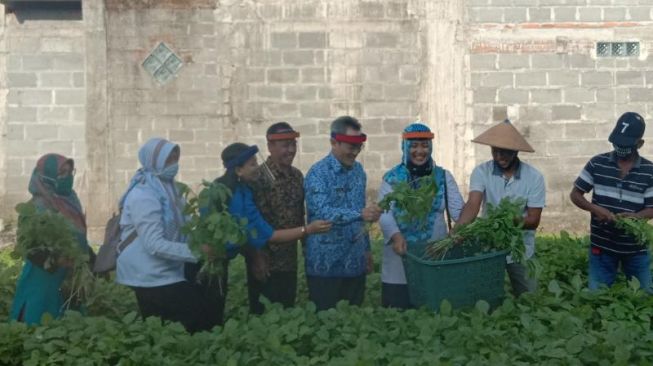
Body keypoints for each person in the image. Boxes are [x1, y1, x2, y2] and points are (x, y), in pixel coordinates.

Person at [201, 142, 331, 319]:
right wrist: (307, 229)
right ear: (238, 170)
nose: (257, 168)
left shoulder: (242, 191)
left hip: (221, 260)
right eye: (253, 164)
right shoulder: (225, 195)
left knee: (215, 311)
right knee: (207, 313)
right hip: (206, 261)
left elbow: (255, 234)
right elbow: (270, 235)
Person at [115, 137, 215, 333]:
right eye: (170, 159)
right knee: (191, 318)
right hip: (148, 272)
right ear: (155, 161)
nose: (174, 165)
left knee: (167, 327)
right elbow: (154, 244)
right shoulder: (144, 195)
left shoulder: (173, 191)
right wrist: (197, 251)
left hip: (168, 269)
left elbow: (183, 228)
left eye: (176, 159)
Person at [379, 123, 464, 309]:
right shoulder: (392, 178)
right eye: (414, 145)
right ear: (405, 147)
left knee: (432, 312)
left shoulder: (442, 177)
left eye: (425, 145)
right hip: (399, 256)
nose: (420, 151)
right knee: (397, 313)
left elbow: (459, 212)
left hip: (433, 256)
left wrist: (463, 227)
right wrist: (396, 235)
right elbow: (385, 213)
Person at [456, 120, 545, 297]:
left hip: (521, 248)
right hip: (490, 244)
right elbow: (473, 204)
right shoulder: (482, 172)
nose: (499, 156)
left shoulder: (534, 177)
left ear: (516, 151)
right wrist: (458, 230)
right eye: (495, 151)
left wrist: (503, 221)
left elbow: (533, 220)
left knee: (529, 298)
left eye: (505, 152)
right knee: (486, 297)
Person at [304, 116, 382, 311]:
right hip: (325, 265)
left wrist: (366, 250)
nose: (355, 152)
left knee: (353, 320)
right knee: (326, 322)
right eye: (350, 146)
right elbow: (323, 211)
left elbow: (361, 215)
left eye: (358, 147)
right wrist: (360, 214)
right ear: (334, 142)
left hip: (355, 262)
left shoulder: (359, 172)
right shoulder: (317, 173)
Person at [570, 112, 653, 293]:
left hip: (636, 249)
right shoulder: (597, 163)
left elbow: (651, 208)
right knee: (597, 296)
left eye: (627, 145)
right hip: (602, 246)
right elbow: (576, 194)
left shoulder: (649, 171)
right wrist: (594, 209)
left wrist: (636, 217)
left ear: (640, 144)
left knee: (645, 295)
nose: (621, 148)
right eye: (618, 143)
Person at [10, 154, 93, 325]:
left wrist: (90, 259)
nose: (67, 177)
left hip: (70, 279)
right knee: (39, 321)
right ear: (46, 176)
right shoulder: (34, 208)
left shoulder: (71, 201)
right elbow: (29, 249)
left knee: (70, 326)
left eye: (70, 172)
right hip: (43, 278)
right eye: (61, 173)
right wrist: (57, 260)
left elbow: (79, 238)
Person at [248, 122, 305, 314]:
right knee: (263, 314)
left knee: (287, 311)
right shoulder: (258, 177)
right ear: (270, 147)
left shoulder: (297, 176)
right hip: (265, 262)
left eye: (293, 145)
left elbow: (301, 215)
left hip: (289, 260)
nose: (290, 151)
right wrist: (256, 257)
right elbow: (251, 224)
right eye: (285, 146)